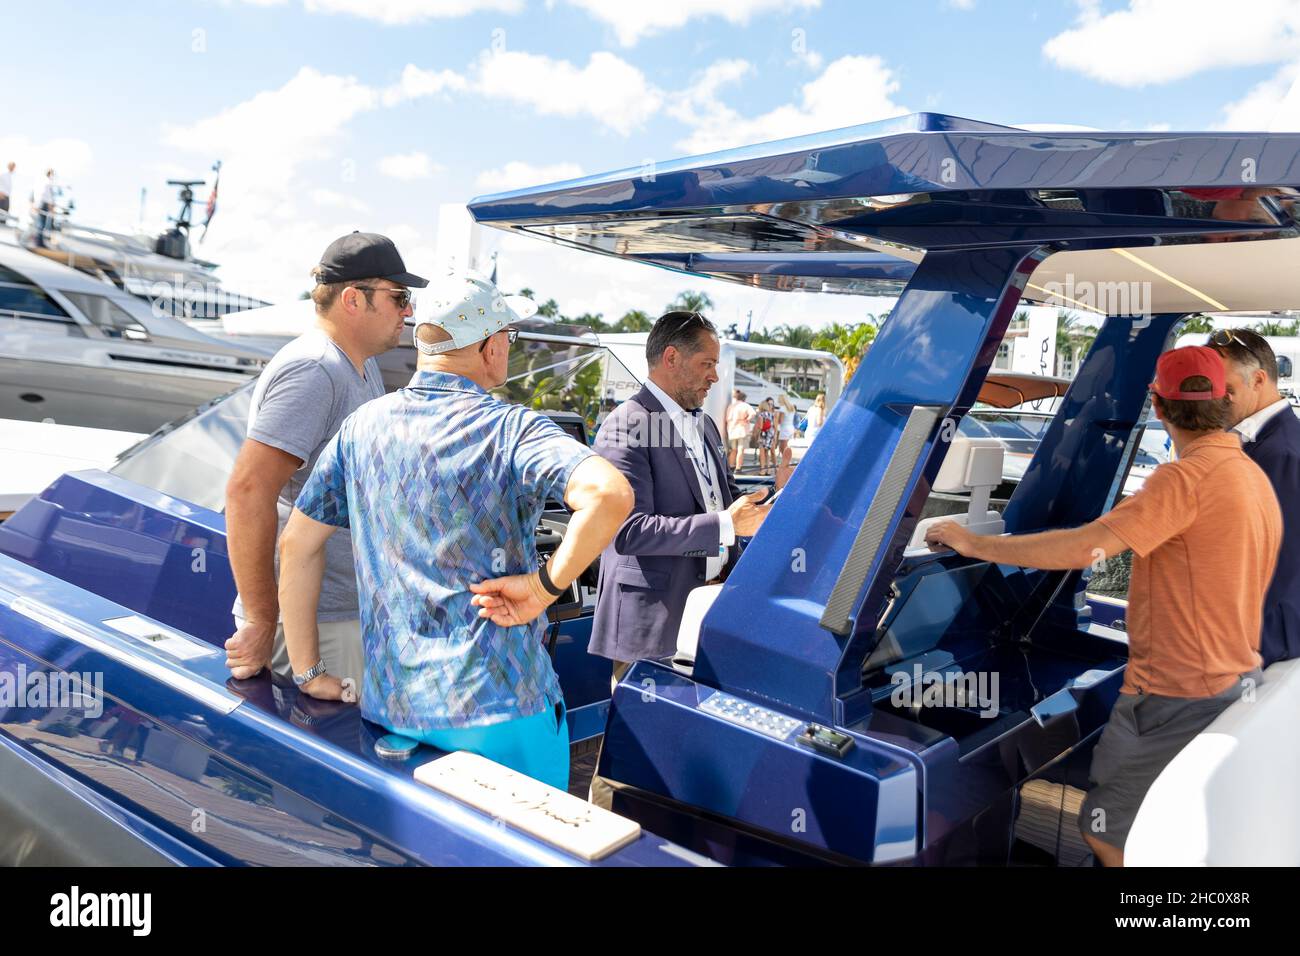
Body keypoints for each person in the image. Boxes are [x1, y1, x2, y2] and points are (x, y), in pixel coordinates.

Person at [925, 346, 1279, 866]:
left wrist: (977, 545)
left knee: (1109, 834)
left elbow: (1083, 547)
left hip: (1173, 696)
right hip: (1223, 680)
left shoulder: (1183, 480)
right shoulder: (1250, 475)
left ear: (1157, 406)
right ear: (1226, 400)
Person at [279, 272, 632, 789]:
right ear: (490, 347)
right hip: (502, 710)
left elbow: (297, 546)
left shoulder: (361, 427)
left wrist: (309, 672)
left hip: (393, 713)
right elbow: (609, 494)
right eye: (508, 338)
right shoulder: (514, 428)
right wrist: (541, 588)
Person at [224, 232, 428, 689]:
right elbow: (248, 491)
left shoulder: (358, 365)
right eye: (399, 297)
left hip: (338, 613)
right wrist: (260, 619)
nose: (408, 311)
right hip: (313, 627)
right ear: (354, 299)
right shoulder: (317, 369)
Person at [589, 310, 772, 806]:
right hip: (654, 616)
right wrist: (726, 525)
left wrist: (771, 501)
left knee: (681, 747)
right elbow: (626, 531)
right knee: (631, 755)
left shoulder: (709, 426)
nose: (716, 375)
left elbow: (724, 498)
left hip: (705, 613)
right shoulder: (626, 425)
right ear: (671, 358)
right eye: (708, 363)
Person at [1207, 327, 1300, 665]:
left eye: (1225, 389)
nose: (1215, 398)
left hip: (1263, 643)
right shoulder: (1259, 442)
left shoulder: (1284, 455)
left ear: (1259, 380)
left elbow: (1282, 565)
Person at [725, 388, 754, 471]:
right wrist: (747, 419)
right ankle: (738, 467)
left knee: (733, 450)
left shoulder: (731, 406)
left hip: (731, 430)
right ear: (744, 399)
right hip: (742, 430)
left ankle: (730, 466)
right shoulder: (745, 405)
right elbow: (752, 413)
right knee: (740, 449)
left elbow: (727, 419)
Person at [33, 169, 57, 248]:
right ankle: (38, 242)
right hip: (44, 204)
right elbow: (46, 195)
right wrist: (50, 206)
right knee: (41, 224)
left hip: (42, 203)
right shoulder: (48, 182)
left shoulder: (43, 182)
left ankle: (39, 241)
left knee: (41, 224)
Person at [755, 397, 776, 476]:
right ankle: (768, 470)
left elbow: (760, 426)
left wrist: (757, 435)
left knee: (762, 453)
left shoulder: (761, 414)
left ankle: (762, 470)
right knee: (767, 452)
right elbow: (773, 425)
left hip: (763, 435)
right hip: (770, 435)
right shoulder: (771, 414)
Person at [776, 393, 797, 471]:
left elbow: (780, 421)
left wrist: (775, 418)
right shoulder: (791, 407)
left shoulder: (782, 408)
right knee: (785, 446)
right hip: (790, 427)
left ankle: (786, 462)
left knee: (783, 447)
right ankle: (786, 462)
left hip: (784, 428)